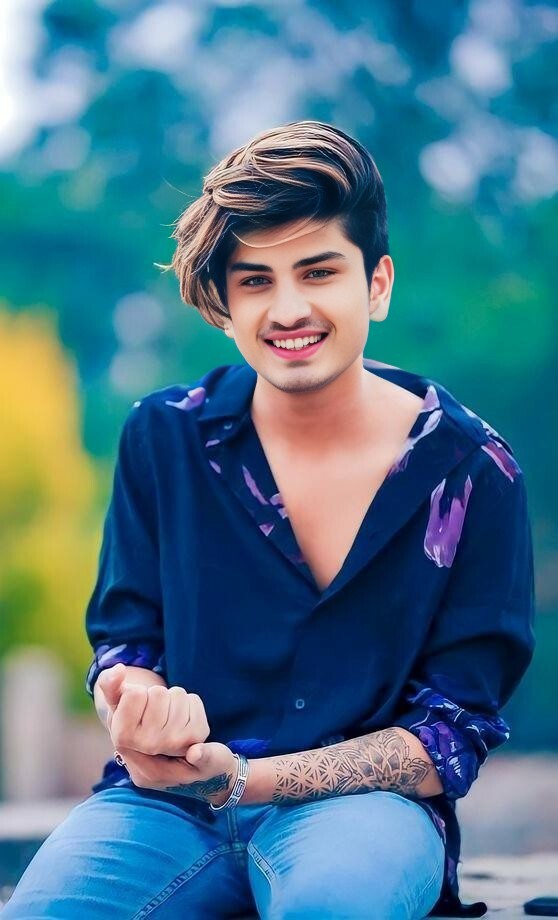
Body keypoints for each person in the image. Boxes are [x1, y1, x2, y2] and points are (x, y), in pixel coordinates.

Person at [2, 121, 535, 919]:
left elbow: (448, 737)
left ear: (377, 284)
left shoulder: (472, 473)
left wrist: (245, 780)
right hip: (162, 810)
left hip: (363, 816)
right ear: (226, 304)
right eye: (256, 281)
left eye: (318, 271)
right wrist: (138, 710)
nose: (288, 309)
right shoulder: (163, 437)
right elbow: (127, 646)